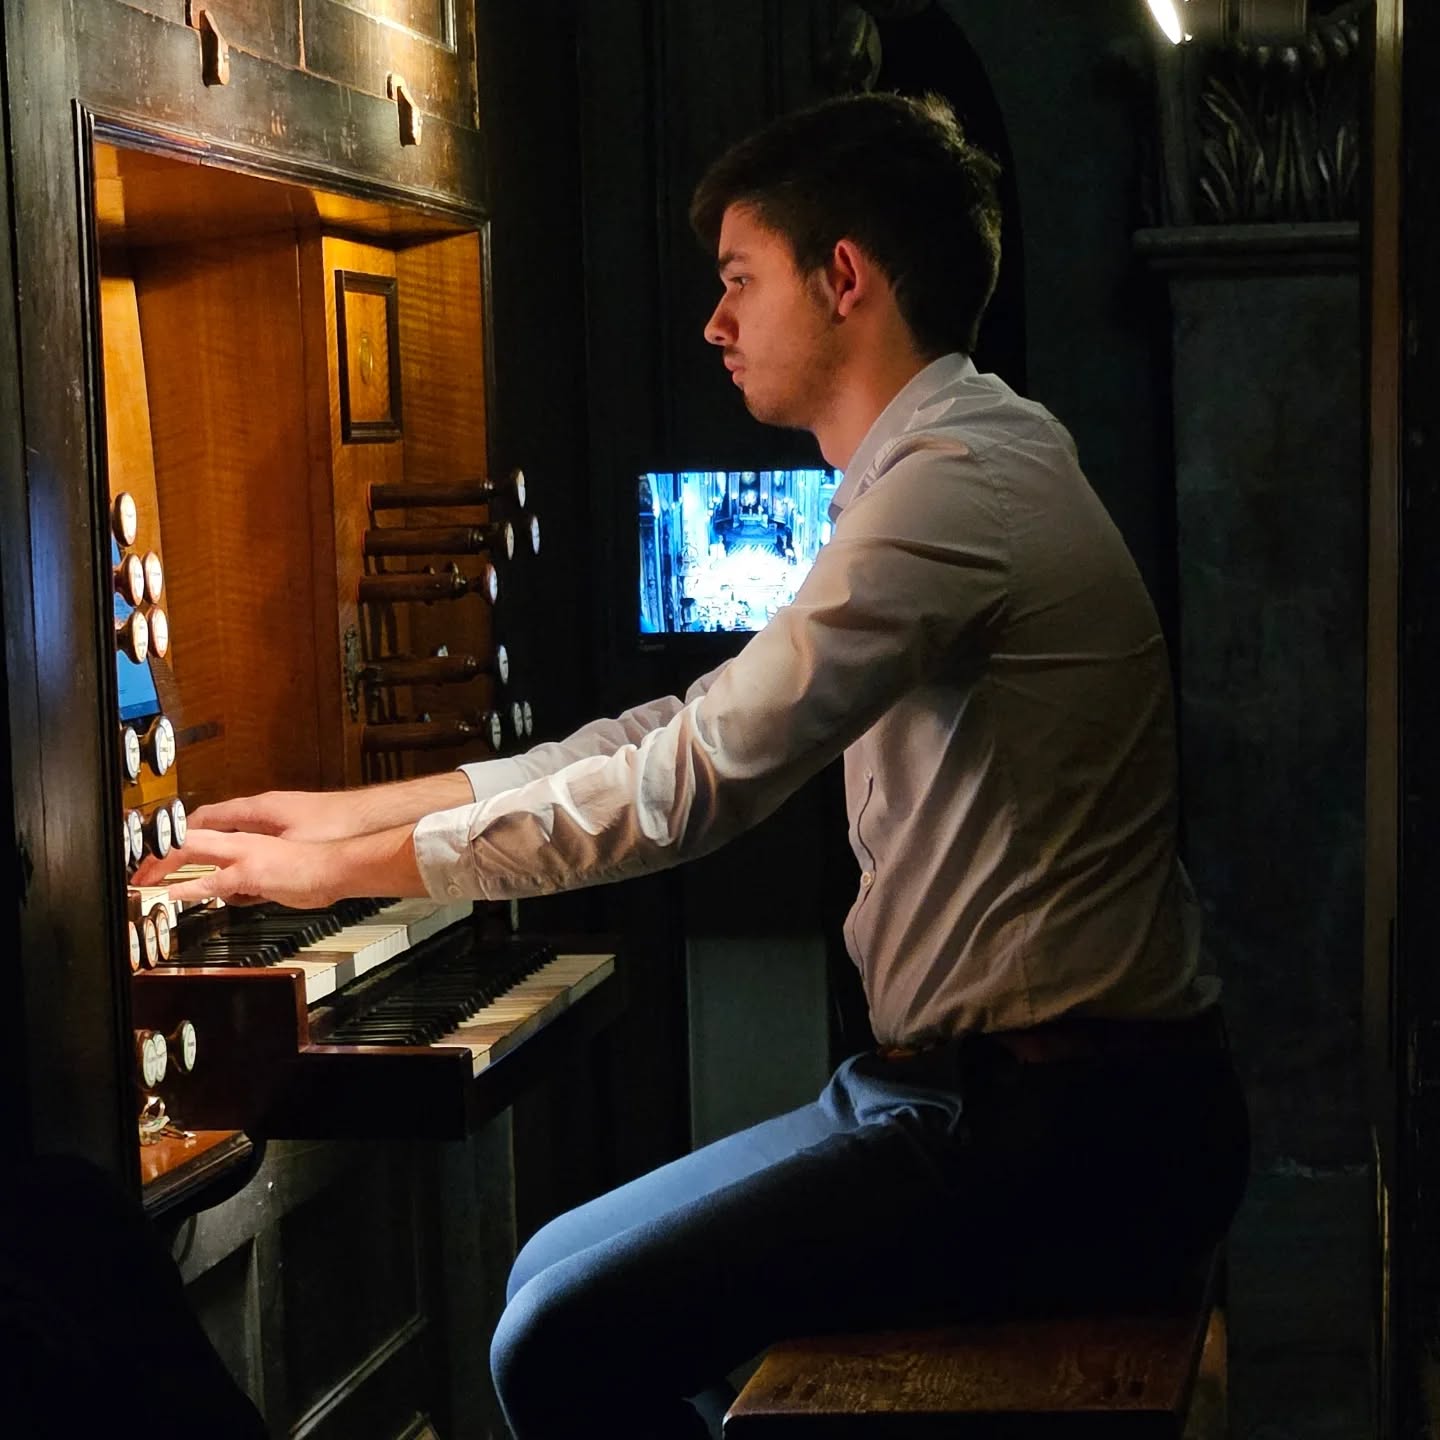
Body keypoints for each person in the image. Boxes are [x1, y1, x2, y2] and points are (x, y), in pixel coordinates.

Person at [134, 92, 1249, 1438]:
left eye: (739, 280)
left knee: (560, 1341)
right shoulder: (938, 464)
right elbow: (673, 729)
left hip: (1067, 1127)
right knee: (549, 1274)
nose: (715, 324)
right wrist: (346, 814)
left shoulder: (957, 485)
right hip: (971, 1091)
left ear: (844, 278)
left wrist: (340, 873)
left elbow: (694, 784)